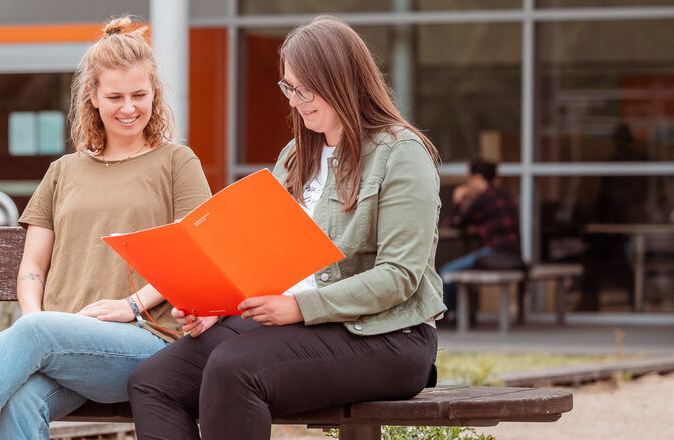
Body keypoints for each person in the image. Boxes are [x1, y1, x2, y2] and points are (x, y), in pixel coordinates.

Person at [125, 15, 445, 439]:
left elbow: (399, 277)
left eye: (306, 88)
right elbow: (259, 254)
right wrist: (215, 305)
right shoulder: (296, 157)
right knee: (153, 382)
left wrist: (299, 308)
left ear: (343, 80)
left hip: (388, 335)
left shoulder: (400, 154)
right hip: (298, 325)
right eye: (289, 87)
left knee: (234, 368)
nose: (295, 100)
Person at [0, 16, 212, 440]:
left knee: (35, 335)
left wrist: (132, 305)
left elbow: (194, 252)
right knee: (21, 401)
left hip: (145, 341)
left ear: (155, 93)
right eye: (115, 96)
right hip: (60, 342)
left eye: (140, 94)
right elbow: (32, 267)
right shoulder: (62, 171)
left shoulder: (177, 163)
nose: (129, 107)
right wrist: (34, 324)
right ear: (93, 98)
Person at [441, 158, 523, 321]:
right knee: (460, 273)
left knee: (446, 274)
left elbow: (455, 221)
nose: (468, 184)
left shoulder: (483, 199)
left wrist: (458, 199)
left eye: (469, 179)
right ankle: (463, 314)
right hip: (512, 253)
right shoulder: (505, 196)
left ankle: (456, 315)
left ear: (477, 178)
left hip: (494, 253)